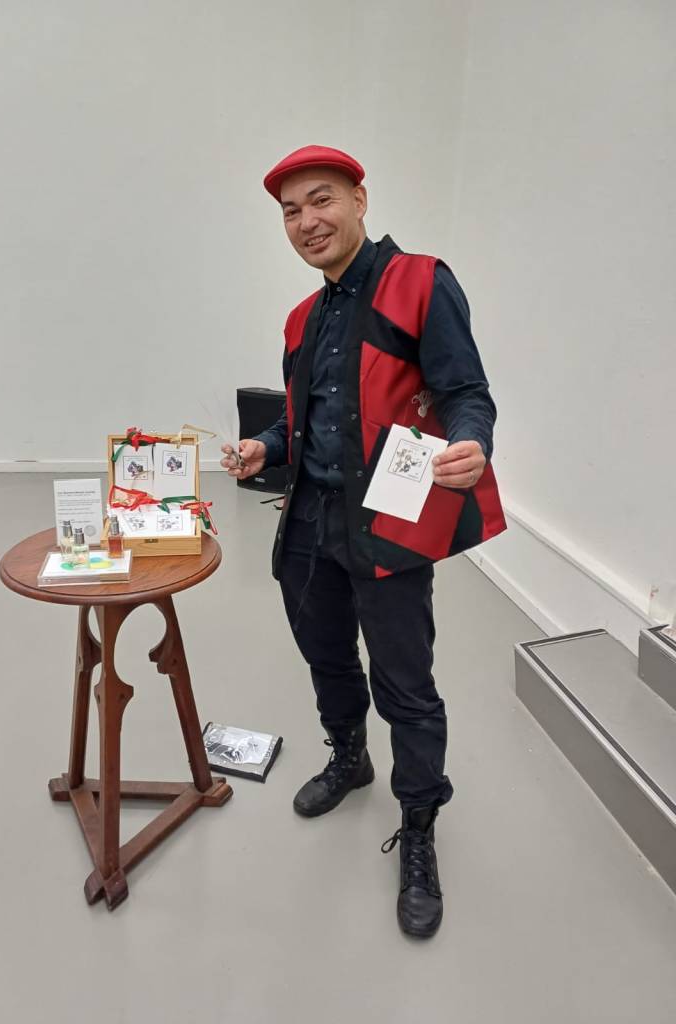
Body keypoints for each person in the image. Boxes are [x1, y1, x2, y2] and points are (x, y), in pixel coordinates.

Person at [221, 145, 506, 938]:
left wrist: (473, 440)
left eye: (322, 200)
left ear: (359, 200)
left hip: (387, 524)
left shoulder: (421, 281)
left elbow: (466, 391)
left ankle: (418, 826)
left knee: (406, 685)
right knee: (326, 657)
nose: (307, 222)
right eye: (291, 212)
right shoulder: (301, 320)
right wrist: (264, 448)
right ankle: (350, 757)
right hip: (308, 523)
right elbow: (300, 416)